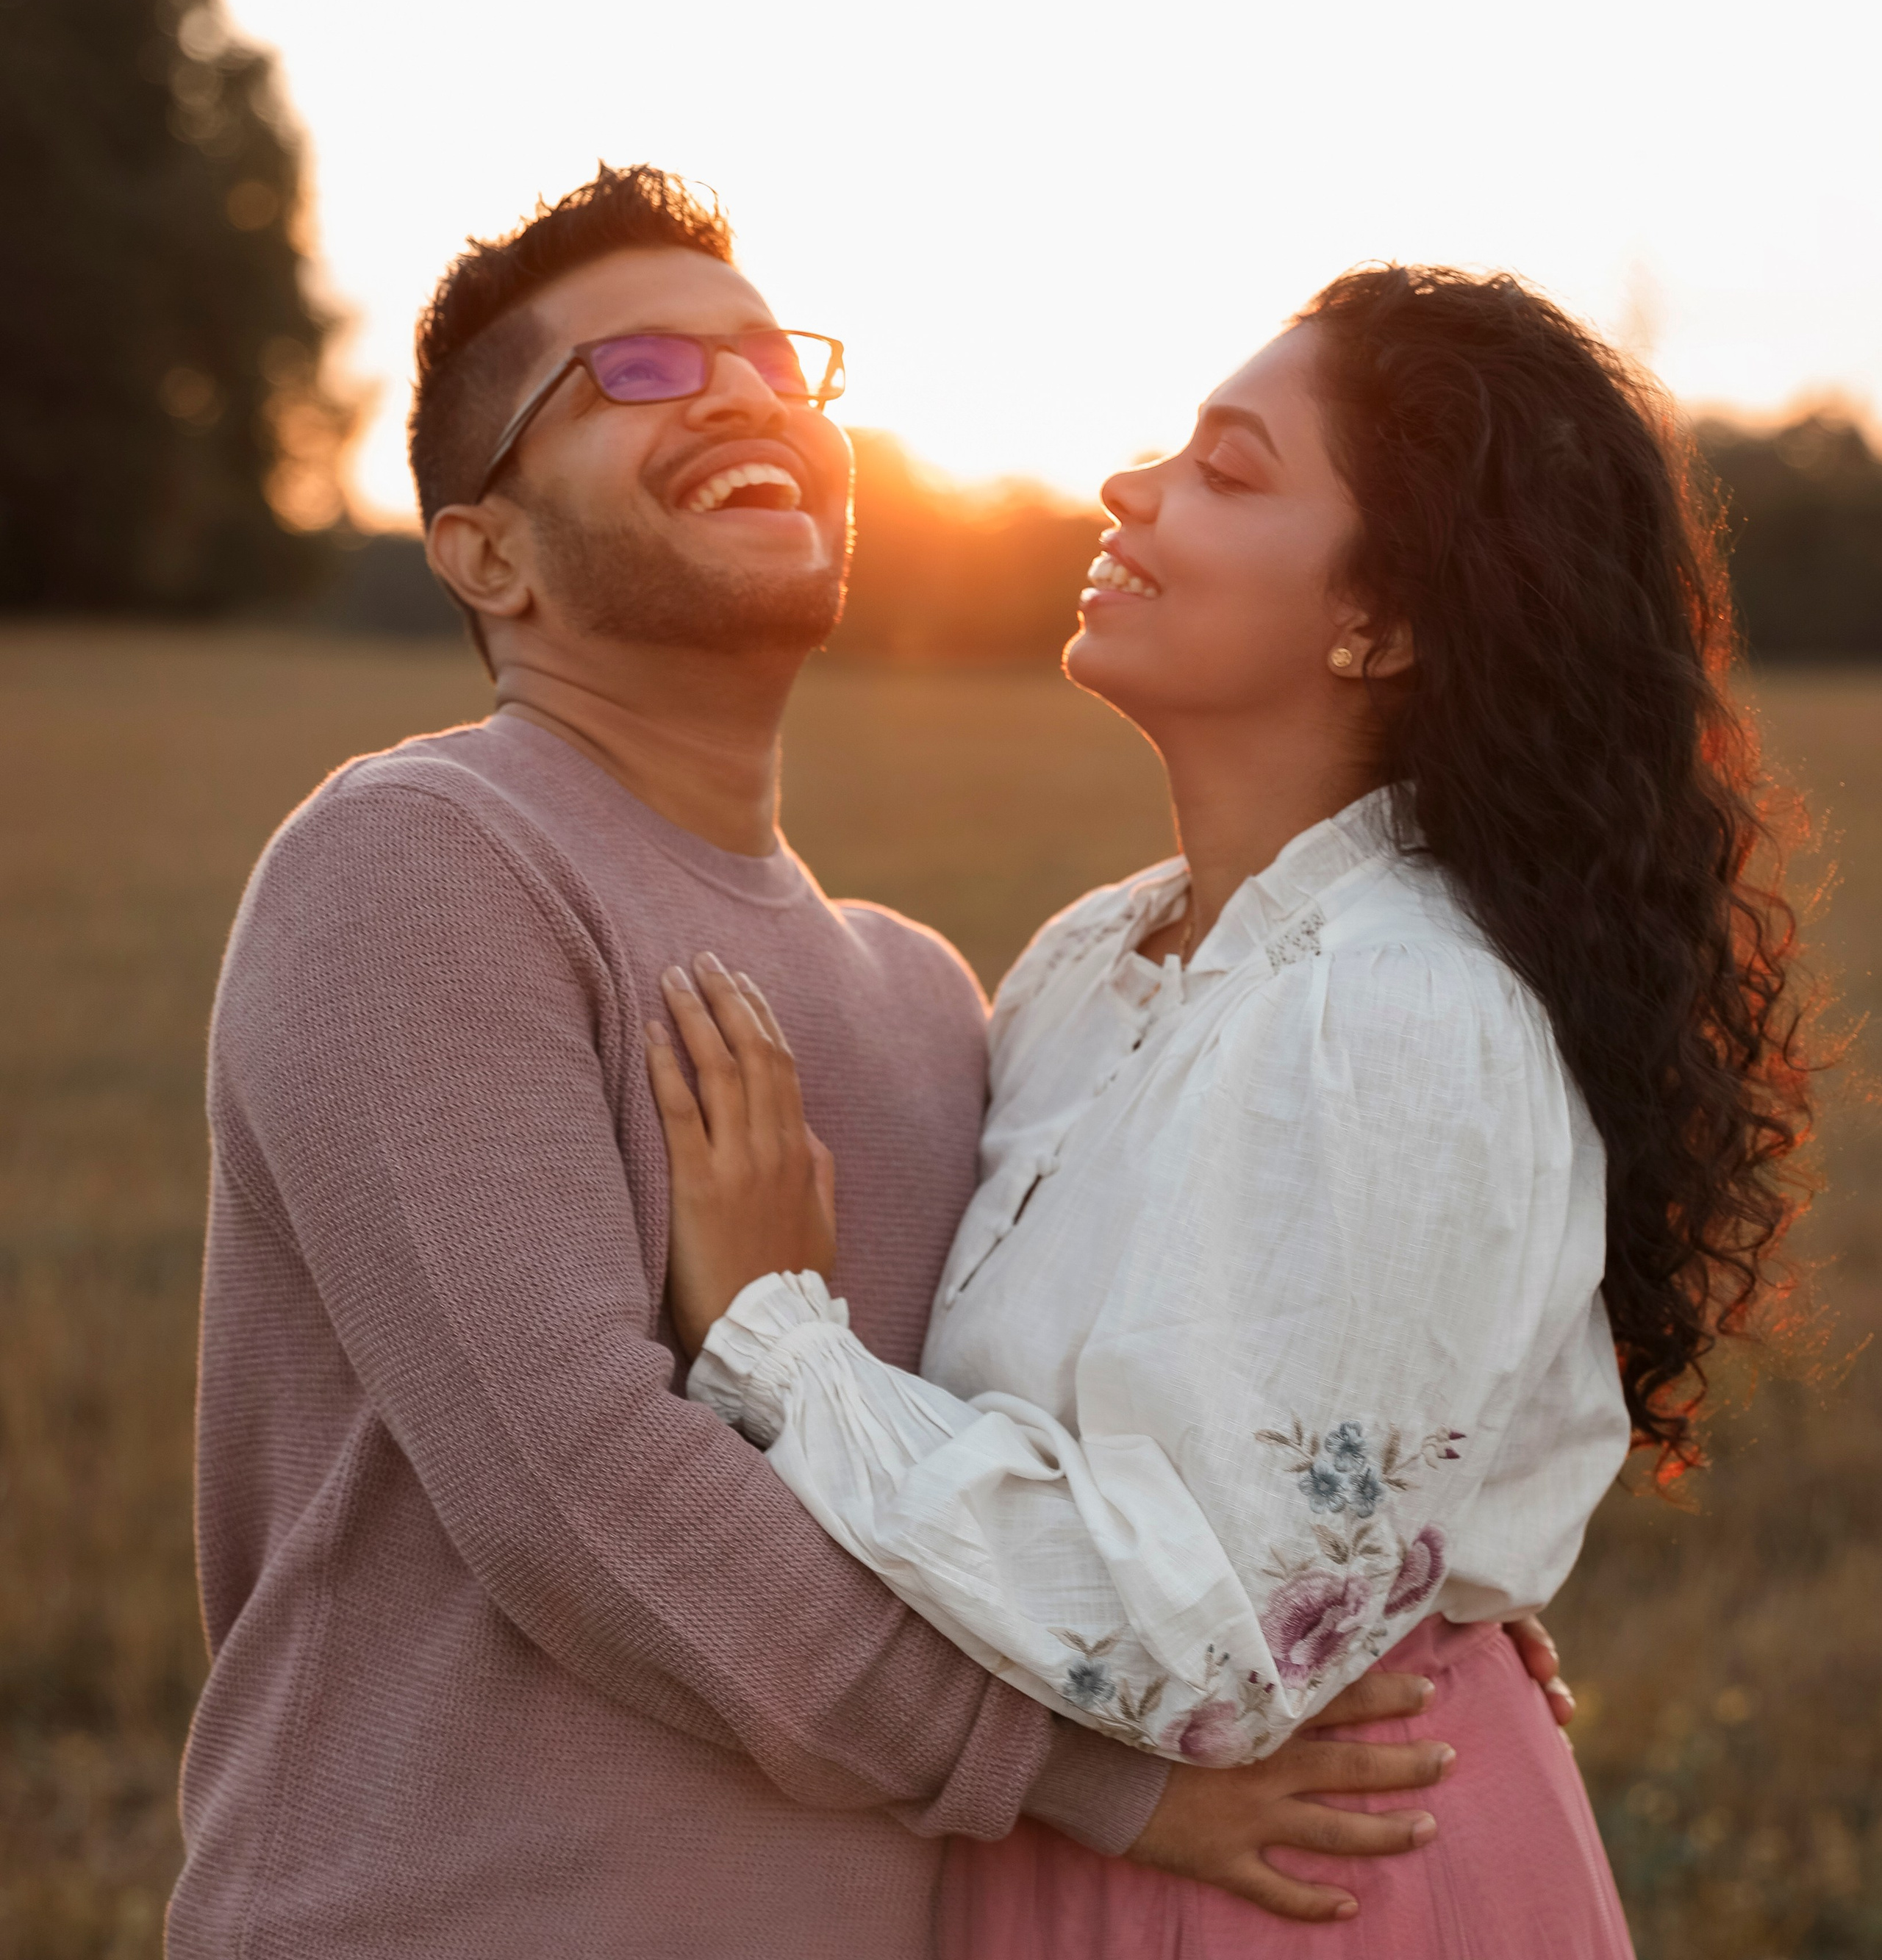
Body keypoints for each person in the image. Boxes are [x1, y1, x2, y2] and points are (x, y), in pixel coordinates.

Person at [173, 171, 1564, 1960]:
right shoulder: (421, 863)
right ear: (485, 553)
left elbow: (1102, 1427)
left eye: (774, 361)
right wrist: (1104, 1780)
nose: (748, 394)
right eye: (643, 371)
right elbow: (586, 1502)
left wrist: (1396, 1586)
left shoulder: (934, 998)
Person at [648, 265, 1813, 1956]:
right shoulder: (1094, 955)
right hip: (1071, 1843)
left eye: (1228, 469)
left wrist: (781, 1348)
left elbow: (1220, 1650)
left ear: (1387, 618)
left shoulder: (1399, 1007)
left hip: (1301, 1872)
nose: (1131, 490)